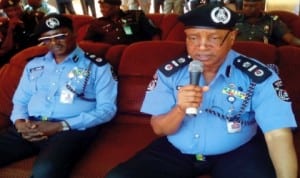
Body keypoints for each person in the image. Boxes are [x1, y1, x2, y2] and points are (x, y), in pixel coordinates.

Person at [105, 3, 298, 178]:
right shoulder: (170, 73)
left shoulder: (258, 75)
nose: (202, 47)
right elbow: (159, 128)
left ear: (231, 38)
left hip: (237, 151)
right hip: (176, 151)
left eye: (213, 38)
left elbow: (277, 134)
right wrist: (180, 109)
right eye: (193, 38)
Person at [0, 13, 117, 178]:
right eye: (47, 38)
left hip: (70, 130)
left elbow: (107, 109)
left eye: (61, 36)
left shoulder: (98, 67)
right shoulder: (33, 64)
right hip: (30, 125)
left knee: (44, 171)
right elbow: (20, 100)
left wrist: (60, 126)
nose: (54, 42)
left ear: (74, 34)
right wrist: (19, 123)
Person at [84, 0, 161, 45]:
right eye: (101, 7)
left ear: (116, 6)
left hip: (135, 56)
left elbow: (154, 34)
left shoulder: (136, 15)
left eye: (105, 7)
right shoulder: (97, 23)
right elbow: (86, 42)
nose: (102, 10)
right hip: (109, 60)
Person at [235, 0, 300, 46]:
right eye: (245, 5)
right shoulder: (234, 18)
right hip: (235, 54)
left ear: (262, 6)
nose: (247, 9)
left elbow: (291, 39)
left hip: (261, 56)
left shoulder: (272, 21)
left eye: (252, 6)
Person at [0, 0, 40, 66]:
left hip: (35, 57)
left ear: (21, 7)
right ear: (5, 12)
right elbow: (5, 49)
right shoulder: (4, 26)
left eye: (17, 9)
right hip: (16, 62)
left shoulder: (33, 19)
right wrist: (10, 30)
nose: (15, 13)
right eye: (10, 11)